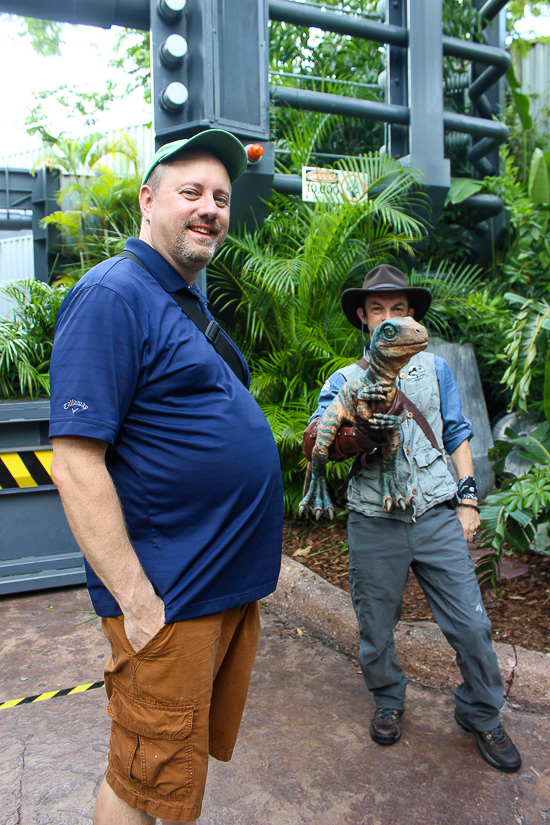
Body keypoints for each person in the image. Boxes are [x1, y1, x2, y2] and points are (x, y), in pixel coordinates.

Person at [49, 129, 283, 824]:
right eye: (191, 192)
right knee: (140, 777)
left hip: (215, 591)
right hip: (168, 601)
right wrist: (138, 601)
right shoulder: (112, 296)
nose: (209, 207)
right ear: (148, 201)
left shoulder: (181, 295)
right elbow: (75, 463)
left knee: (170, 776)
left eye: (220, 196)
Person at [307, 264, 521, 773]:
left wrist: (468, 502)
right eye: (378, 309)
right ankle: (387, 698)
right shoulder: (344, 379)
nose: (390, 316)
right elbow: (318, 437)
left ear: (410, 315)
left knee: (471, 624)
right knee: (376, 625)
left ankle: (481, 712)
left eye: (399, 309)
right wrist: (360, 434)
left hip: (434, 513)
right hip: (372, 518)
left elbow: (457, 432)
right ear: (364, 317)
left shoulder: (438, 368)